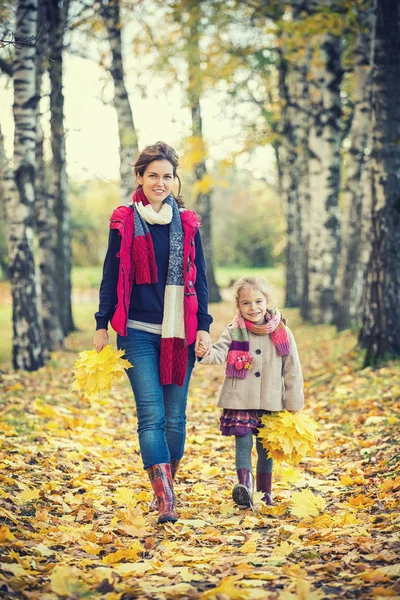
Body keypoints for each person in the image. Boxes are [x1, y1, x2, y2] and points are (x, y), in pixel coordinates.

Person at [93, 141, 213, 524]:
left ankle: (167, 488)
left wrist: (206, 327)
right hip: (138, 333)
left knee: (176, 418)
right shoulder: (125, 220)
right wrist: (101, 323)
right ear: (140, 178)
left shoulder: (188, 223)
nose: (160, 183)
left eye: (167, 176)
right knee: (151, 416)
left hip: (180, 332)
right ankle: (166, 502)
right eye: (153, 176)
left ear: (175, 181)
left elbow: (202, 279)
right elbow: (111, 275)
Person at [196, 276, 303, 508]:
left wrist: (293, 402)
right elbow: (219, 353)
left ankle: (264, 494)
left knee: (266, 450)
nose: (252, 307)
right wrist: (204, 353)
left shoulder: (282, 331)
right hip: (240, 399)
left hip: (272, 402)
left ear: (267, 301)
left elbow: (292, 369)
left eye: (258, 301)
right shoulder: (234, 330)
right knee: (243, 444)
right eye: (246, 303)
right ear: (239, 305)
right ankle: (245, 487)